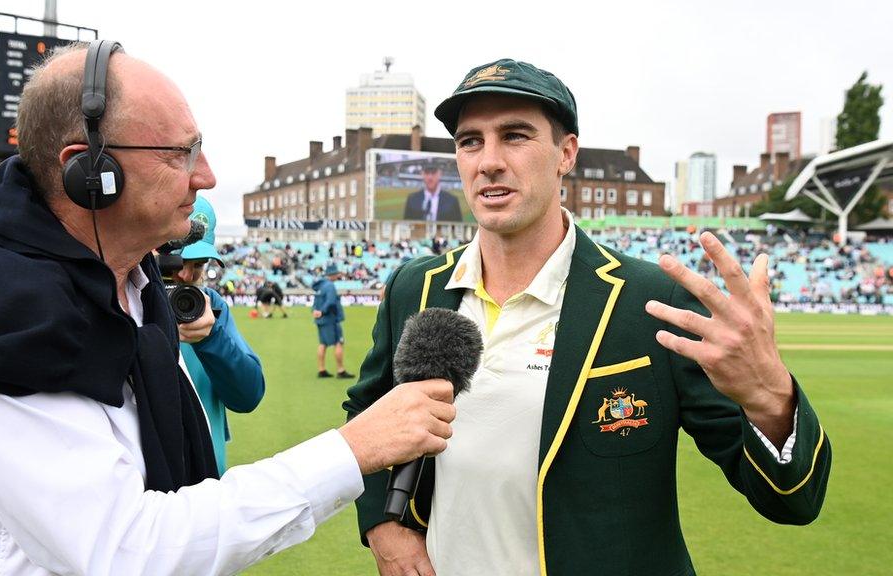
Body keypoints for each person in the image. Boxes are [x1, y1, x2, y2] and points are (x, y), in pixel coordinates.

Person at [0, 41, 458, 576]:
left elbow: (236, 402)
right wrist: (353, 449)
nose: (206, 176)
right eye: (179, 153)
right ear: (88, 172)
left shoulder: (135, 286)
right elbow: (126, 552)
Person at [344, 58, 831, 576]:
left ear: (566, 154)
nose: (488, 161)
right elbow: (367, 416)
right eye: (470, 141)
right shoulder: (415, 287)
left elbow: (791, 501)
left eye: (514, 136)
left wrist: (770, 398)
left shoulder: (653, 300)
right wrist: (384, 527)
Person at [172, 195, 265, 472]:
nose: (187, 276)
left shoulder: (210, 305)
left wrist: (212, 340)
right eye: (177, 262)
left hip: (208, 480)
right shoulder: (131, 302)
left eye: (198, 264)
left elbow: (248, 395)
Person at [313, 263, 354, 378]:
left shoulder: (320, 285)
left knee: (322, 344)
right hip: (330, 319)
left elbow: (315, 302)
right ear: (332, 274)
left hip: (320, 320)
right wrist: (322, 311)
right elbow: (331, 301)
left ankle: (321, 369)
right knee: (339, 343)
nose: (338, 275)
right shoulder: (330, 286)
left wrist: (316, 311)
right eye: (336, 273)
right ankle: (341, 370)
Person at [402, 158, 463, 222]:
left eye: (433, 173)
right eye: (427, 173)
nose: (430, 177)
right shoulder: (412, 199)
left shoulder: (452, 201)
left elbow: (459, 228)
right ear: (422, 174)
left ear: (440, 174)